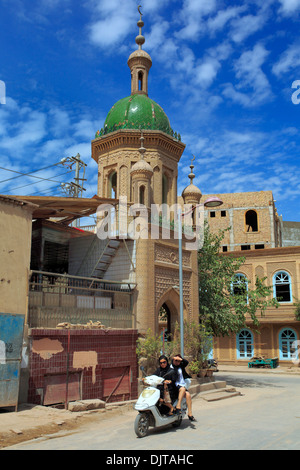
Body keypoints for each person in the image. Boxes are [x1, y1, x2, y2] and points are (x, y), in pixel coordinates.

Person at [171, 354, 196, 422]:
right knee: (183, 389)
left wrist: (180, 359)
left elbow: (186, 362)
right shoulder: (171, 367)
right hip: (175, 386)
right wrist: (174, 358)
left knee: (188, 395)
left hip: (182, 385)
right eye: (176, 360)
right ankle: (178, 405)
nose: (177, 362)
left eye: (178, 361)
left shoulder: (181, 366)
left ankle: (190, 414)